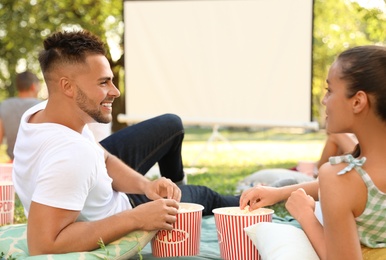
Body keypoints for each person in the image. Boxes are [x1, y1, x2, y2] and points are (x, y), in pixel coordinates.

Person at [12, 30, 238, 256]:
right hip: (122, 209)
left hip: (97, 184)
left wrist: (146, 186)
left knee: (171, 125)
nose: (115, 91)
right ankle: (252, 197)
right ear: (67, 87)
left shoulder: (39, 114)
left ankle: (174, 186)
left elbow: (105, 158)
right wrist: (137, 217)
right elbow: (42, 245)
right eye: (104, 82)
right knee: (206, 196)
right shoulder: (73, 155)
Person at [241, 45, 386, 259]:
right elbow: (357, 193)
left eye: (330, 91)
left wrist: (305, 215)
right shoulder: (350, 179)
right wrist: (279, 193)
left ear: (357, 101)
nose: (324, 100)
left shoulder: (339, 178)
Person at [0, 71, 41, 161]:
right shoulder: (41, 106)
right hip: (36, 165)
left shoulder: (5, 105)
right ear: (33, 86)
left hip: (13, 164)